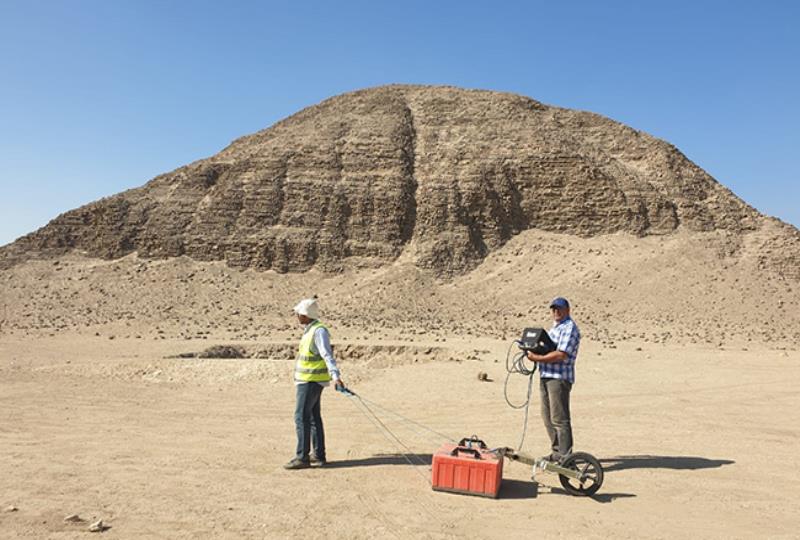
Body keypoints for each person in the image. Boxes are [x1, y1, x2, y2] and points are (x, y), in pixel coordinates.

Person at [284, 297, 345, 470]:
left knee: (301, 417)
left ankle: (302, 457)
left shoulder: (318, 331)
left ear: (306, 315)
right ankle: (318, 455)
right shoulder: (310, 330)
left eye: (299, 313)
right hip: (308, 380)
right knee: (312, 418)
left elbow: (327, 355)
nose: (297, 315)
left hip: (311, 380)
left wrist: (335, 376)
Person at [525, 297, 580, 463]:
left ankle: (566, 457)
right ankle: (557, 452)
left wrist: (537, 358)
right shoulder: (555, 328)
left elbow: (561, 354)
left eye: (560, 309)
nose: (556, 312)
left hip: (559, 378)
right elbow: (549, 348)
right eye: (554, 309)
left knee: (560, 419)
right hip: (546, 376)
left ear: (567, 310)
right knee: (547, 417)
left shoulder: (569, 328)